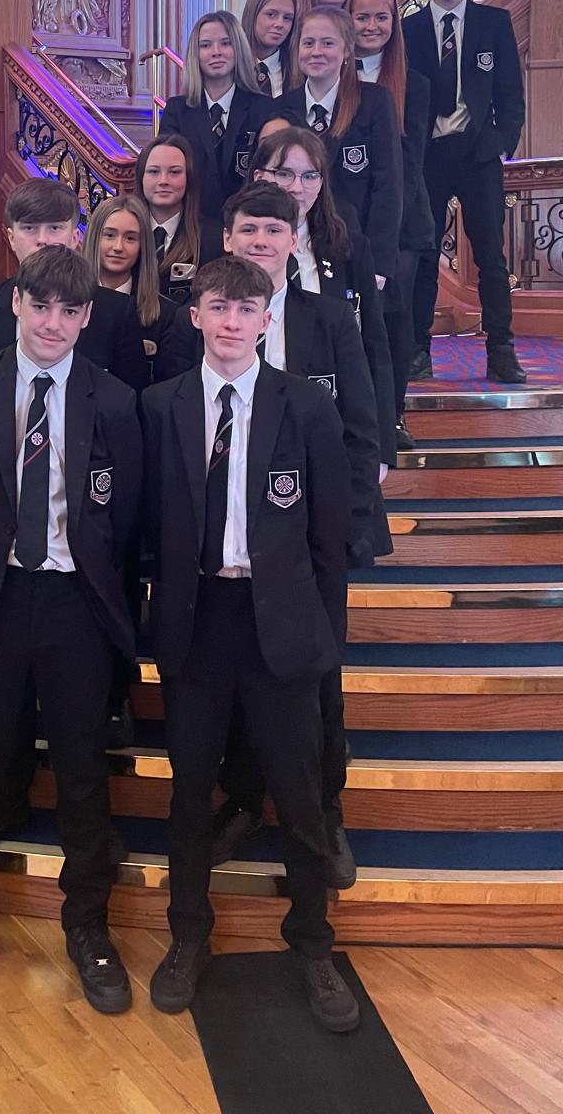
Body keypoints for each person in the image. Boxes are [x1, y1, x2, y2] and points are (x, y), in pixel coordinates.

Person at [143, 255, 358, 1033]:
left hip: (280, 622)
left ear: (266, 321)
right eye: (218, 307)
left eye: (246, 309)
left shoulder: (305, 406)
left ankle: (313, 944)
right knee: (189, 790)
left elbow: (329, 537)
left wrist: (322, 637)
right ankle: (187, 935)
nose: (231, 321)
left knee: (299, 794)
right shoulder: (160, 406)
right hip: (198, 620)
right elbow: (144, 525)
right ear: (196, 315)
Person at [0, 246, 142, 1014]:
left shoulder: (113, 400)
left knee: (82, 771)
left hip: (76, 605)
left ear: (86, 317)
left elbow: (127, 520)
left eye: (69, 310)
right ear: (17, 302)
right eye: (41, 305)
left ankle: (87, 925)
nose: (53, 323)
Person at [210, 184, 381, 889]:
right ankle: (244, 801)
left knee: (318, 682)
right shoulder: (212, 318)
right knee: (239, 678)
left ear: (293, 238)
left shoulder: (329, 317)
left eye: (273, 230)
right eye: (248, 228)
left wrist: (343, 532)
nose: (260, 240)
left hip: (311, 543)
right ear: (228, 238)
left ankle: (324, 811)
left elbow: (361, 428)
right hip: (230, 540)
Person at [0, 178, 149, 449]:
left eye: (55, 227)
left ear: (75, 237)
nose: (43, 240)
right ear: (11, 238)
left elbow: (130, 410)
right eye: (30, 228)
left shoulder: (116, 312)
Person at [406, 0, 527, 385]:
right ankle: (418, 348)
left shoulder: (493, 23)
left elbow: (510, 93)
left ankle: (501, 349)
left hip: (477, 155)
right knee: (423, 255)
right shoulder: (410, 30)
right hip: (428, 156)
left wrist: (501, 143)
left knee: (491, 256)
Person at [250, 127, 397, 488]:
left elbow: (374, 348)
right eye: (284, 173)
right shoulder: (238, 244)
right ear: (259, 177)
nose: (297, 187)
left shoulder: (347, 247)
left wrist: (382, 446)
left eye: (309, 176)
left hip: (332, 424)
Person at [351, 0, 436, 446]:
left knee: (391, 321)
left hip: (401, 223)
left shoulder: (414, 84)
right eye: (362, 17)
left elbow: (409, 165)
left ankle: (394, 414)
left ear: (394, 23)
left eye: (381, 17)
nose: (371, 26)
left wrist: (383, 225)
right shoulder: (329, 77)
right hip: (347, 219)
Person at [275, 6, 403, 285]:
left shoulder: (374, 102)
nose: (316, 52)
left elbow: (388, 185)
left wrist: (378, 261)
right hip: (297, 252)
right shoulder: (282, 108)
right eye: (308, 43)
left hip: (355, 246)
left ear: (347, 50)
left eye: (327, 43)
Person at [157, 12, 272, 223]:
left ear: (238, 49)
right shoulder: (177, 110)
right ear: (195, 54)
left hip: (247, 224)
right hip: (190, 225)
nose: (216, 52)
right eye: (206, 45)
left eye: (225, 43)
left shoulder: (264, 108)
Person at [82, 192, 194, 383]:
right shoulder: (69, 305)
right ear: (94, 238)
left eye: (130, 238)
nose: (118, 246)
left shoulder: (166, 315)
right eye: (109, 235)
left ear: (143, 245)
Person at [133, 134, 220, 308]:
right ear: (141, 178)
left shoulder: (213, 237)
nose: (163, 181)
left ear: (189, 178)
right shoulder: (123, 233)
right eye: (154, 172)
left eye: (174, 172)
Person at [241, 0, 298, 98]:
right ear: (253, 14)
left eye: (287, 18)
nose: (280, 24)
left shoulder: (299, 72)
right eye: (271, 15)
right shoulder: (230, 68)